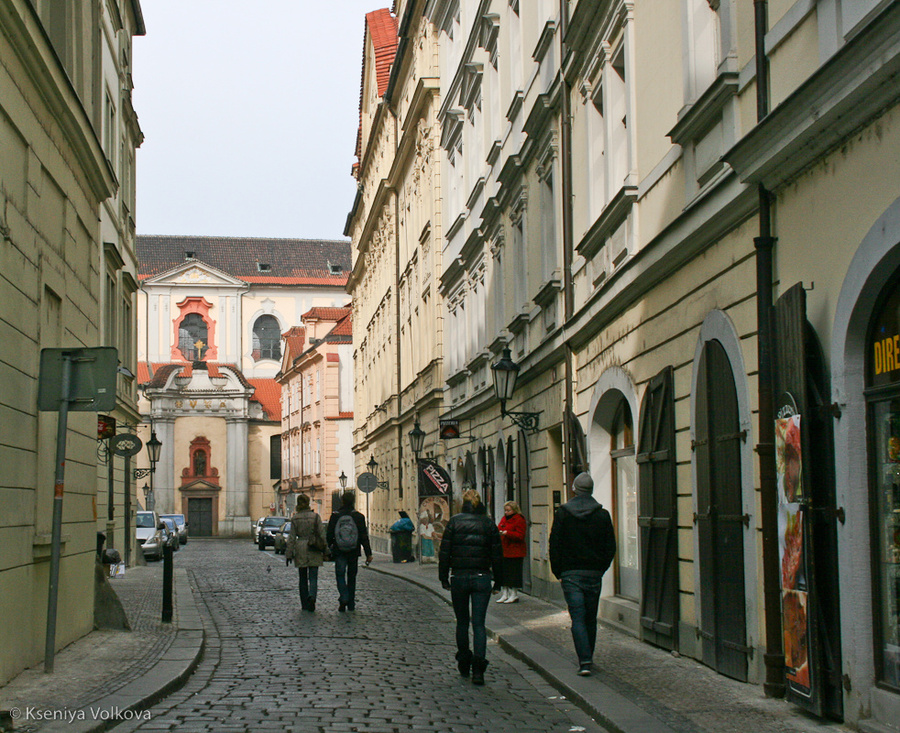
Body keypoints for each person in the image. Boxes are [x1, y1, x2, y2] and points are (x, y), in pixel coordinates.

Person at [549, 472, 616, 677]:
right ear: (592, 490)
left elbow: (555, 544)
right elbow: (610, 546)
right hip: (592, 573)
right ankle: (589, 657)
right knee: (590, 618)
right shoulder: (602, 514)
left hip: (570, 574)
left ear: (574, 489)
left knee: (577, 617)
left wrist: (558, 570)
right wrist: (600, 568)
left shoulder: (563, 513)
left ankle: (584, 661)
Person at [438, 489, 503, 685]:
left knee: (462, 622)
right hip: (482, 577)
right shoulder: (488, 523)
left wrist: (443, 577)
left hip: (459, 576)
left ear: (462, 503)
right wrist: (498, 580)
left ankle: (464, 661)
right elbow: (497, 555)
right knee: (479, 624)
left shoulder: (455, 522)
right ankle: (478, 670)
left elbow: (445, 551)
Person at [326, 491, 373, 612]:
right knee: (352, 577)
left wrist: (326, 549)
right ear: (353, 501)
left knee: (340, 575)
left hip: (339, 550)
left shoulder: (335, 516)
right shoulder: (358, 516)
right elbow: (363, 536)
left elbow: (329, 534)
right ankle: (351, 603)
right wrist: (368, 553)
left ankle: (343, 597)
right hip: (353, 550)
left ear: (342, 501)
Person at [285, 494, 325, 612]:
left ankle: (304, 603)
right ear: (308, 503)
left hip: (301, 546)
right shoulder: (316, 517)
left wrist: (289, 553)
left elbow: (291, 538)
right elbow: (322, 535)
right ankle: (312, 596)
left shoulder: (295, 518)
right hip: (314, 546)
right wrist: (326, 550)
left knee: (302, 577)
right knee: (313, 577)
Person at [496, 501, 526, 603]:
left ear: (514, 510)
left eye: (509, 510)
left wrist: (507, 533)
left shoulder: (519, 519)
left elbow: (520, 535)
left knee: (514, 573)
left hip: (515, 551)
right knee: (504, 573)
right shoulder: (504, 518)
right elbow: (499, 527)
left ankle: (514, 594)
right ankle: (505, 593)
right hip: (504, 549)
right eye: (505, 510)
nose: (506, 512)